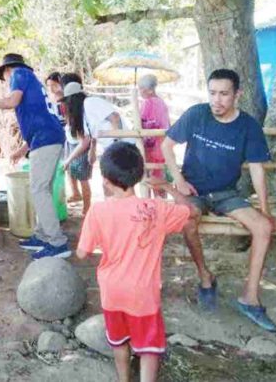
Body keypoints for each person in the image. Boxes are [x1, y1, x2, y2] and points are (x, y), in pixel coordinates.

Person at [161, 68, 276, 331]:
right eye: (213, 93)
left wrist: (265, 211)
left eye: (224, 94)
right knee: (187, 217)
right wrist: (178, 179)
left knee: (263, 227)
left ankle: (250, 297)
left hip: (227, 193)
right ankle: (205, 277)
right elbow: (166, 145)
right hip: (193, 191)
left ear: (237, 94)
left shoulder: (248, 126)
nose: (217, 100)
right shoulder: (197, 114)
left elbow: (257, 169)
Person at [77, 142, 196, 382]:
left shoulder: (97, 212)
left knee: (119, 343)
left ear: (106, 181)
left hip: (112, 292)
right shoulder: (156, 209)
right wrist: (167, 187)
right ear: (139, 175)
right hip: (143, 295)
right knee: (148, 349)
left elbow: (81, 253)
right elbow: (193, 211)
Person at [0, 53, 69, 259]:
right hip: (47, 137)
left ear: (7, 70)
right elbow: (37, 119)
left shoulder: (19, 74)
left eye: (4, 76)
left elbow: (12, 101)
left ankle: (57, 242)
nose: (6, 81)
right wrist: (22, 149)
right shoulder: (32, 82)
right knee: (43, 189)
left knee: (39, 189)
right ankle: (43, 235)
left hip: (46, 139)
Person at [45, 71, 82, 203]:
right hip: (61, 136)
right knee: (66, 165)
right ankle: (75, 192)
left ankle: (79, 193)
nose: (52, 89)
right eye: (48, 86)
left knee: (76, 166)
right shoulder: (51, 101)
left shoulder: (70, 99)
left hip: (74, 136)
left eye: (54, 85)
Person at [59, 81, 93, 215]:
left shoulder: (83, 114)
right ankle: (79, 198)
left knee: (83, 178)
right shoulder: (74, 112)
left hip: (81, 149)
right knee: (73, 172)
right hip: (73, 144)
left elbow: (84, 142)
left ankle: (87, 208)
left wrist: (68, 160)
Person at [138, 74, 170, 197]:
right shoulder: (161, 102)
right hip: (162, 145)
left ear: (150, 89)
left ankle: (153, 209)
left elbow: (142, 123)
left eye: (142, 88)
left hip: (152, 147)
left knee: (150, 179)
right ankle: (161, 207)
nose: (141, 91)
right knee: (160, 179)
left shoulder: (148, 102)